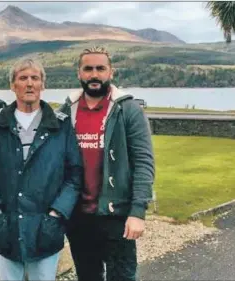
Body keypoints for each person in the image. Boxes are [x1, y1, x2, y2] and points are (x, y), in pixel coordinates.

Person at [0, 58, 83, 281]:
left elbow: (74, 176)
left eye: (35, 78)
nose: (30, 83)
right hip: (8, 229)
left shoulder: (61, 125)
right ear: (13, 85)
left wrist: (56, 214)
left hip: (46, 229)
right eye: (23, 78)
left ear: (43, 84)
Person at [58, 46, 155, 281]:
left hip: (117, 216)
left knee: (122, 277)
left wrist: (138, 212)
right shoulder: (65, 111)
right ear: (79, 73)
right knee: (88, 276)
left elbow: (143, 162)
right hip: (78, 216)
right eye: (88, 69)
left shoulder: (128, 109)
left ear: (111, 72)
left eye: (100, 68)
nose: (94, 74)